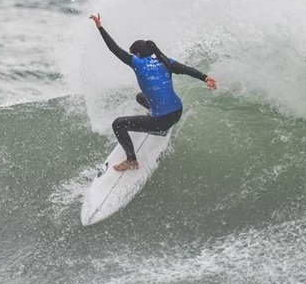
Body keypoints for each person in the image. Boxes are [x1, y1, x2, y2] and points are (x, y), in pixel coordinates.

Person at [89, 13, 217, 171]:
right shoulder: (165, 61)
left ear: (138, 54)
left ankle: (131, 161)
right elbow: (187, 70)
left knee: (118, 124)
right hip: (177, 111)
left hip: (161, 121)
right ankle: (155, 117)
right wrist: (206, 78)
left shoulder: (137, 63)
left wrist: (100, 27)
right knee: (139, 97)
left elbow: (113, 48)